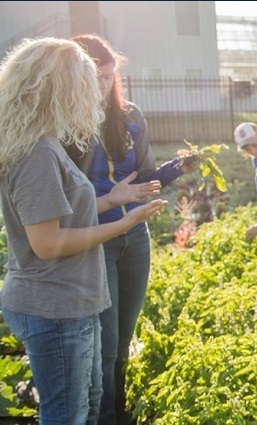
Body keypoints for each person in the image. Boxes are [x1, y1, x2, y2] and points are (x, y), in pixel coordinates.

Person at [0, 37, 165, 425]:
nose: (95, 93)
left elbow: (63, 214)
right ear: (60, 89)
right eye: (86, 82)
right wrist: (121, 224)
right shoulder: (37, 153)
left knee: (87, 407)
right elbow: (47, 243)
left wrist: (112, 200)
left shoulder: (45, 144)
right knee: (67, 416)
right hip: (54, 305)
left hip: (74, 301)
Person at [70, 34, 194, 425]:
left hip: (134, 237)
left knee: (123, 337)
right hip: (97, 239)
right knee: (104, 342)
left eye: (109, 76)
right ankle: (103, 414)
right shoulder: (66, 123)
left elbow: (147, 179)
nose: (104, 85)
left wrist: (178, 168)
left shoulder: (132, 116)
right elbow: (65, 191)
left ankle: (117, 409)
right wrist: (114, 197)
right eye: (96, 76)